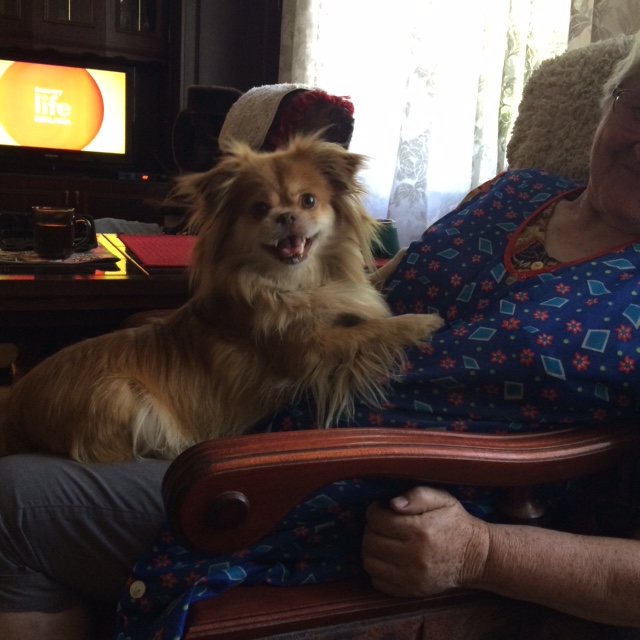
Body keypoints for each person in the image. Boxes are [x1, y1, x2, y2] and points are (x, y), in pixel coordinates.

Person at [2, 36, 640, 639]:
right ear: (608, 103)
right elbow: (378, 280)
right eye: (638, 103)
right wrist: (225, 324)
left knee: (12, 503)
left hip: (336, 495)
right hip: (257, 421)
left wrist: (483, 551)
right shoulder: (516, 190)